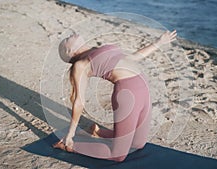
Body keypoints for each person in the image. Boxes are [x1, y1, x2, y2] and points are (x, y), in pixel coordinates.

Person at [53, 30, 177, 162]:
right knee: (118, 155)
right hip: (128, 93)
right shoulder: (80, 65)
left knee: (138, 144)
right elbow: (79, 101)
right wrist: (71, 134)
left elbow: (133, 57)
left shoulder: (97, 49)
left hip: (144, 89)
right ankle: (69, 146)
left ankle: (98, 132)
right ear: (71, 52)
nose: (70, 35)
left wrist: (159, 42)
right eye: (67, 40)